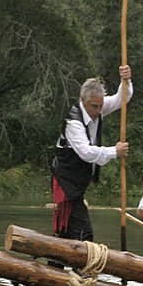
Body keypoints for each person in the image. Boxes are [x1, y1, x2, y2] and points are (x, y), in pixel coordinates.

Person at [51, 65, 132, 241]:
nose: (98, 111)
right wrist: (114, 151)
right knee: (83, 233)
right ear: (83, 100)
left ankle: (58, 266)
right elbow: (86, 153)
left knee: (68, 234)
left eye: (100, 106)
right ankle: (75, 265)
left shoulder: (98, 106)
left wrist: (126, 80)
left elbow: (121, 99)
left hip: (78, 181)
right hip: (66, 181)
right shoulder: (73, 123)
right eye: (94, 107)